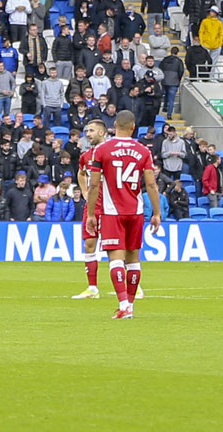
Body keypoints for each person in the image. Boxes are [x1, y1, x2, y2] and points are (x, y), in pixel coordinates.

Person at [83, 110, 162, 320]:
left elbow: (94, 185)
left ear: (114, 125)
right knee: (134, 259)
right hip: (135, 211)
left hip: (111, 211)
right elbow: (151, 184)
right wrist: (156, 212)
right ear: (133, 127)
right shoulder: (143, 150)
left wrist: (91, 214)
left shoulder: (102, 150)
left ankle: (124, 305)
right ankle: (131, 306)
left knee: (116, 259)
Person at [70, 120, 109, 300]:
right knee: (89, 244)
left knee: (118, 247)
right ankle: (92, 287)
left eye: (92, 130)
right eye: (87, 130)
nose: (88, 133)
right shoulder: (86, 156)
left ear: (102, 132)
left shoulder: (112, 153)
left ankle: (133, 285)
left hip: (110, 206)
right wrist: (85, 191)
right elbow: (80, 173)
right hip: (92, 206)